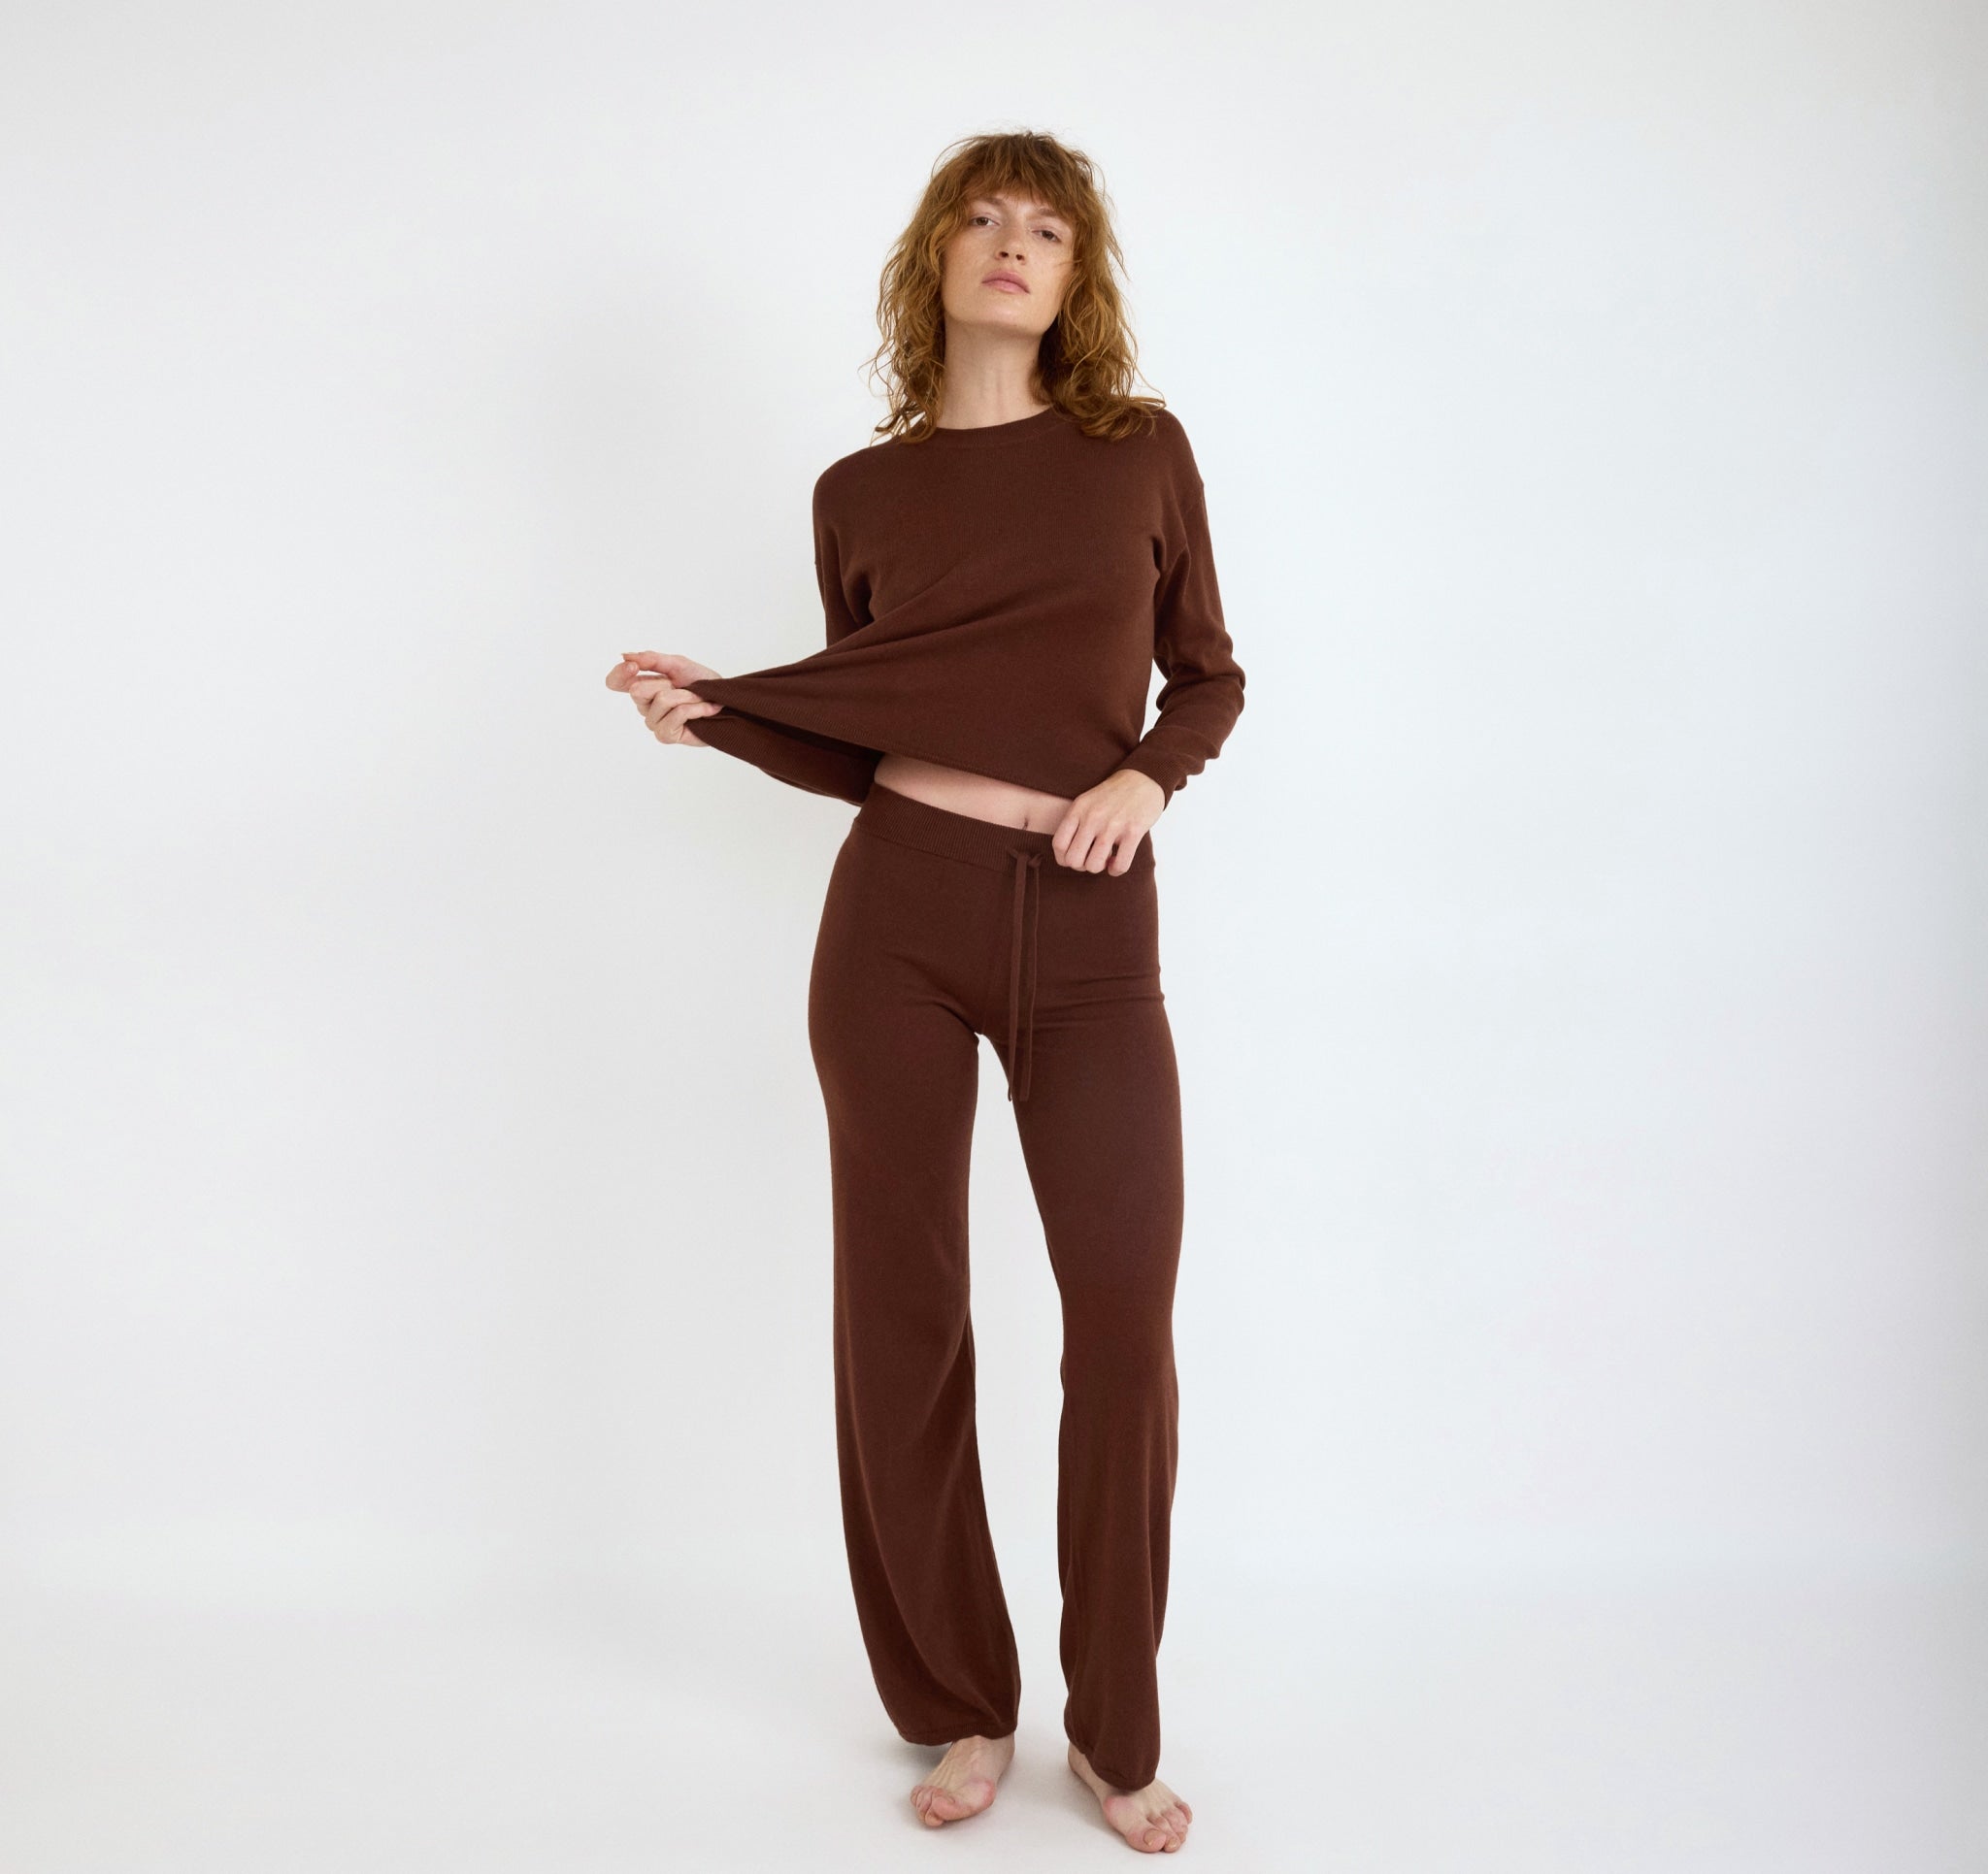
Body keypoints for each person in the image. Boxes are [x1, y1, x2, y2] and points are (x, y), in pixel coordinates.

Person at [607, 128, 1242, 1857]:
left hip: (1093, 930)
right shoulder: (859, 497)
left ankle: (1113, 1730)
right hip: (897, 918)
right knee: (903, 1318)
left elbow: (1208, 674)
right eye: (983, 218)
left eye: (1049, 227)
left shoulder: (1139, 453)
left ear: (1078, 274)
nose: (1013, 244)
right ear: (936, 260)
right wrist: (725, 716)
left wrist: (1147, 778)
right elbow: (871, 729)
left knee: (1123, 1326)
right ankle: (961, 1697)